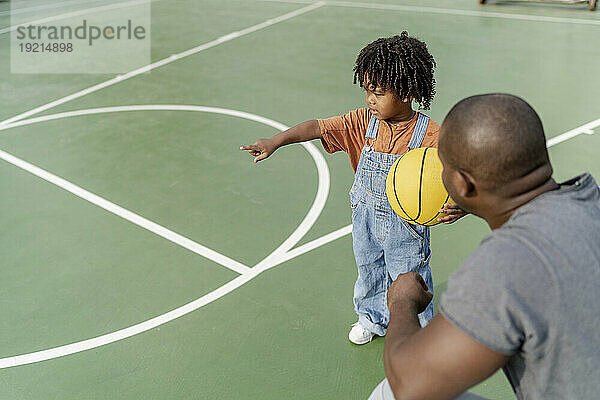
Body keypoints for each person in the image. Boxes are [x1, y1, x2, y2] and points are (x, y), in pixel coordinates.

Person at [369, 93, 600, 399]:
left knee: (390, 393)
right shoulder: (589, 199)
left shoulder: (503, 266)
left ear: (463, 184)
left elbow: (410, 384)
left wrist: (401, 303)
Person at [241, 32, 465, 345]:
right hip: (365, 219)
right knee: (369, 268)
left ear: (407, 90)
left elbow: (461, 175)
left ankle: (419, 329)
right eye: (367, 91)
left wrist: (463, 206)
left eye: (378, 92)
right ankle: (372, 318)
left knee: (409, 277)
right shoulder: (362, 122)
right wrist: (276, 141)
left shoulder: (431, 135)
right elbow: (317, 127)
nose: (369, 99)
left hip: (407, 227)